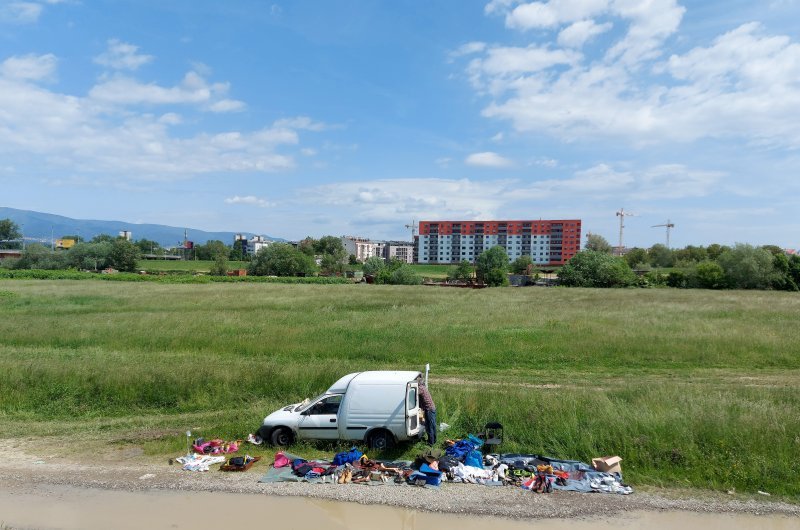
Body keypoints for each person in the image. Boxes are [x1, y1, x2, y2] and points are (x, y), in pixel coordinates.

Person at [417, 376, 437, 445]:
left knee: (429, 426)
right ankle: (434, 440)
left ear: (419, 383)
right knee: (432, 425)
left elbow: (414, 393)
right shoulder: (423, 387)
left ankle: (431, 442)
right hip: (431, 408)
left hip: (429, 409)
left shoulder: (421, 388)